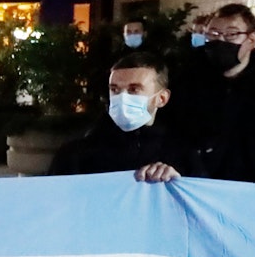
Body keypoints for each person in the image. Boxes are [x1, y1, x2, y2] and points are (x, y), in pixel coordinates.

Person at [165, 3, 255, 182]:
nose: (221, 41)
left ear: (251, 39)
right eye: (213, 34)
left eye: (231, 34)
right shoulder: (186, 80)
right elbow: (171, 133)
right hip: (196, 185)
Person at [50, 52, 202, 177]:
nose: (122, 97)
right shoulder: (75, 154)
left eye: (134, 89)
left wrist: (178, 182)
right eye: (115, 89)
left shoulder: (182, 154)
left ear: (161, 98)